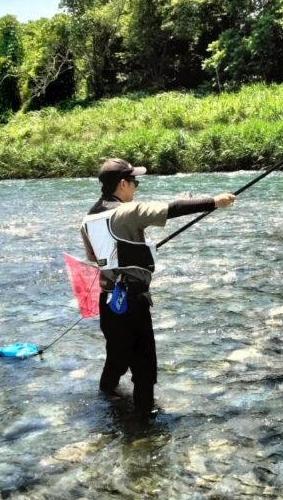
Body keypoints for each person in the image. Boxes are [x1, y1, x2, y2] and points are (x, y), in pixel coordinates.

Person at [80, 158, 235, 415]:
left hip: (108, 303)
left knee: (116, 359)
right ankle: (144, 426)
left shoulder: (87, 219)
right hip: (133, 304)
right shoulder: (128, 212)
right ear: (122, 184)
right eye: (135, 182)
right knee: (144, 370)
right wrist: (215, 201)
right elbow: (172, 208)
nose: (136, 187)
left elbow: (93, 257)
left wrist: (131, 250)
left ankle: (107, 401)